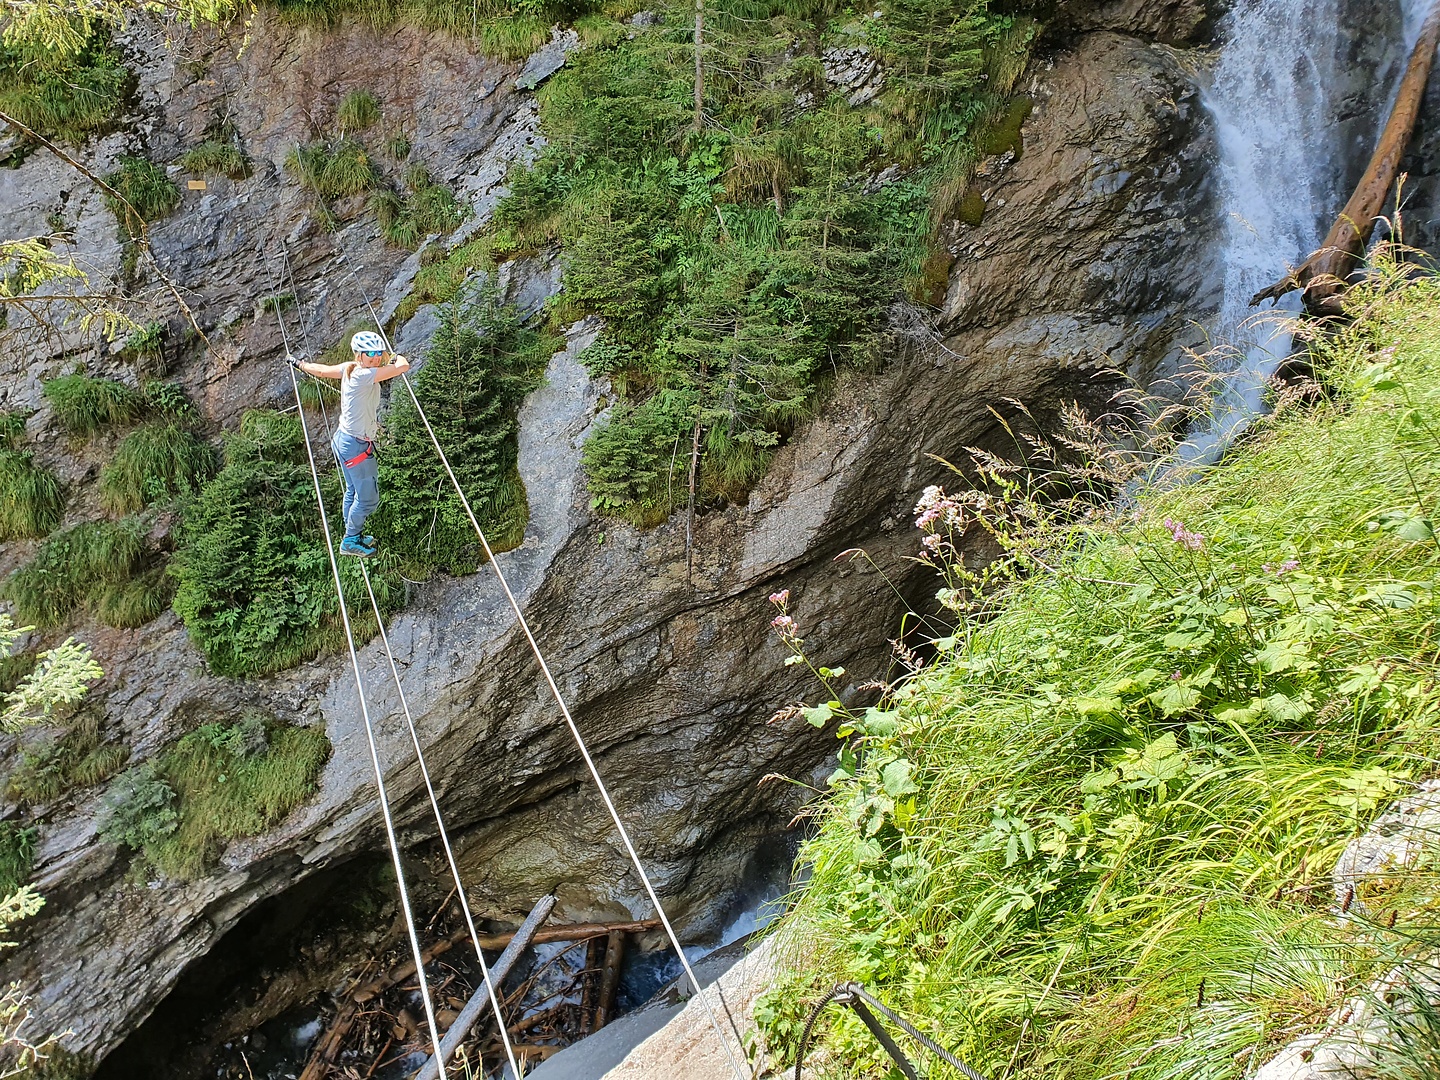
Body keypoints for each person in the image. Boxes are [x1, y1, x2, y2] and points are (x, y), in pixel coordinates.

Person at [289, 331, 411, 557]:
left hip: (344, 440)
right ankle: (350, 540)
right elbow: (402, 366)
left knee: (354, 490)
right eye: (370, 353)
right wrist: (395, 356)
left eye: (378, 352)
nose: (375, 357)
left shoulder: (349, 367)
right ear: (359, 355)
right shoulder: (364, 375)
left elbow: (323, 371)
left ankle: (353, 532)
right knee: (368, 498)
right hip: (355, 446)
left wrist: (300, 364)